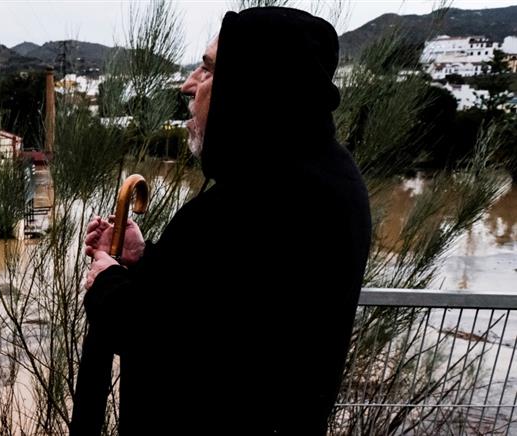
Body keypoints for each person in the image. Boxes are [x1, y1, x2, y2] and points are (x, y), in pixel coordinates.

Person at [81, 7, 372, 434]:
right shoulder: (326, 177)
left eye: (209, 69)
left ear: (253, 85)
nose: (188, 84)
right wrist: (143, 258)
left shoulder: (256, 202)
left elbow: (169, 341)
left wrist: (106, 283)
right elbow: (221, 307)